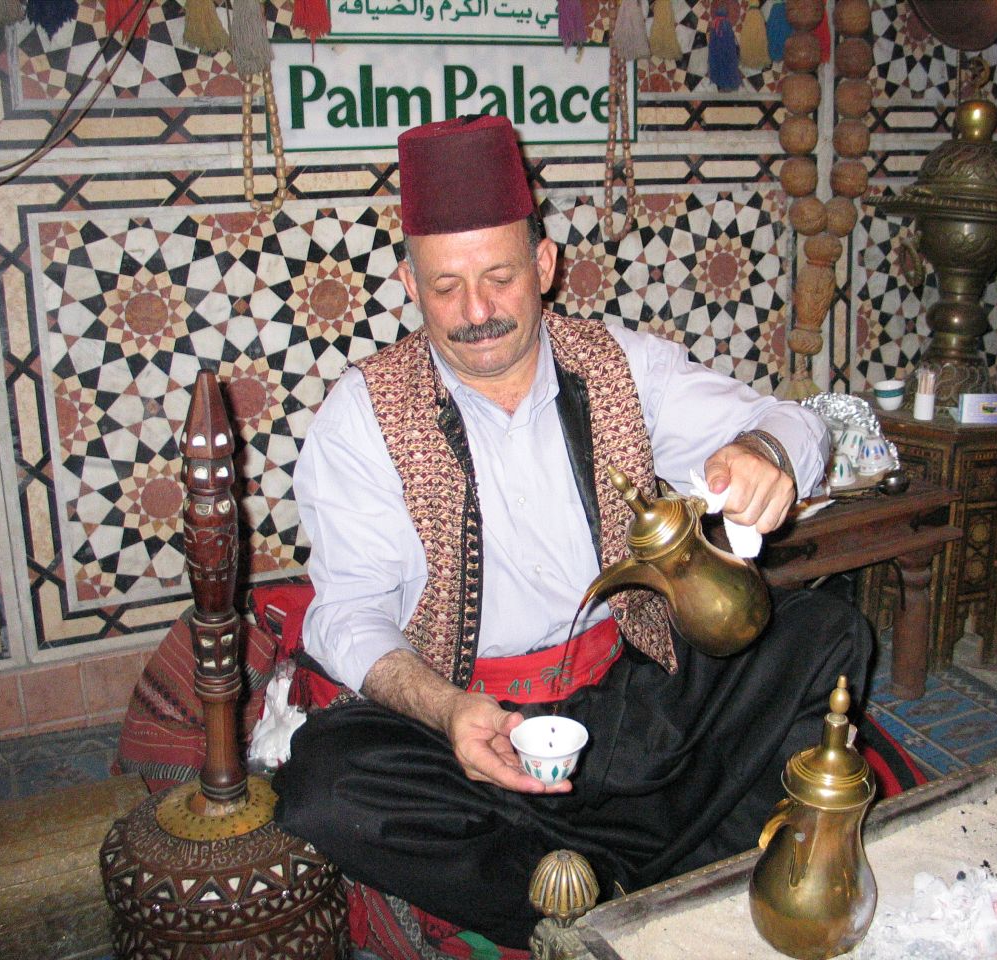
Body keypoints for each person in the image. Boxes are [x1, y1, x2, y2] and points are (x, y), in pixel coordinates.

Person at [273, 114, 872, 949]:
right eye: (445, 287)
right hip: (469, 727)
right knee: (324, 790)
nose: (476, 312)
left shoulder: (622, 366)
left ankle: (580, 876)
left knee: (827, 630)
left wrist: (765, 453)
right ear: (411, 286)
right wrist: (446, 709)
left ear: (545, 266)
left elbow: (792, 423)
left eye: (499, 278)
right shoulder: (362, 416)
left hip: (631, 693)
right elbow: (344, 613)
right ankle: (637, 878)